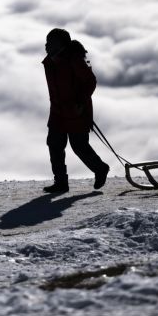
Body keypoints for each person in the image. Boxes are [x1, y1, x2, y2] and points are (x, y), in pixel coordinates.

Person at [41, 28, 109, 194]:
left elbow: (90, 81)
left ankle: (100, 169)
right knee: (54, 144)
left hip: (76, 111)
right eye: (47, 41)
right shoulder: (51, 61)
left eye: (51, 41)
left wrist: (80, 102)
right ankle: (61, 182)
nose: (47, 45)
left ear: (62, 44)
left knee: (79, 146)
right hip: (58, 112)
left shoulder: (74, 59)